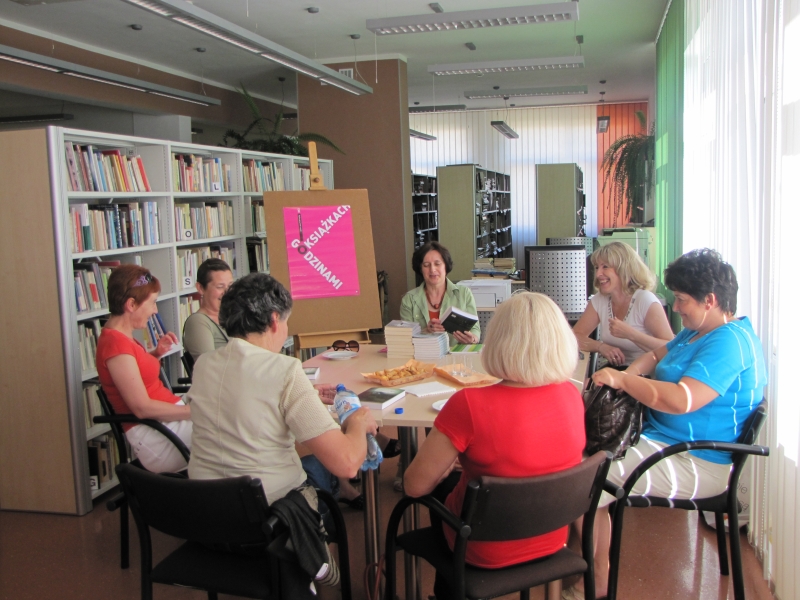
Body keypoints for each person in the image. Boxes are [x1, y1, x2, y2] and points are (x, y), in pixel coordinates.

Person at [563, 249, 767, 600]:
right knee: (582, 457)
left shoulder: (729, 342)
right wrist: (630, 372)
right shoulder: (699, 331)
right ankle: (589, 558)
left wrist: (623, 381)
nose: (676, 307)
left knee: (582, 478)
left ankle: (596, 574)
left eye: (682, 300)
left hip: (695, 459)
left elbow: (680, 400)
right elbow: (657, 354)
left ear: (710, 300)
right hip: (662, 438)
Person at [403, 292, 585, 600]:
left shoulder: (468, 403)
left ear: (498, 340)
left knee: (443, 486)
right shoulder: (572, 396)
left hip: (482, 550)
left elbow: (413, 486)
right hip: (551, 538)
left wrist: (449, 465)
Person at [186, 273, 378, 506]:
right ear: (275, 320)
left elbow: (242, 400)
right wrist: (358, 421)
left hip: (205, 506)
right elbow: (347, 464)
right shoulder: (285, 369)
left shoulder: (204, 364)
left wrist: (303, 396)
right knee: (323, 468)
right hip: (266, 510)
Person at [95, 265, 192, 472]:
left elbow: (136, 375)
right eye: (153, 302)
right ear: (131, 304)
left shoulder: (122, 339)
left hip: (166, 426)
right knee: (234, 428)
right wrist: (191, 412)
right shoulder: (116, 345)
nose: (155, 310)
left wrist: (156, 354)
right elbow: (142, 408)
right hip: (159, 436)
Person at [573, 242, 673, 367]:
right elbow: (574, 337)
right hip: (617, 371)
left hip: (646, 373)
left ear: (623, 269)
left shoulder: (645, 300)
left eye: (605, 267)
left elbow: (671, 348)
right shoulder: (600, 299)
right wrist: (601, 347)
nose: (598, 274)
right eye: (597, 267)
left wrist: (631, 334)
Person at [400, 241, 480, 346]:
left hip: (456, 354)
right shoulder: (409, 299)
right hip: (423, 354)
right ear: (420, 269)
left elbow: (475, 330)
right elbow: (406, 338)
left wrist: (472, 339)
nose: (432, 269)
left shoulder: (464, 294)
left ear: (445, 266)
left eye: (437, 264)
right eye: (426, 265)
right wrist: (426, 331)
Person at [182, 258, 233, 362]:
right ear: (200, 288)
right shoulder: (198, 322)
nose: (227, 292)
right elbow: (208, 365)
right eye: (220, 287)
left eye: (230, 286)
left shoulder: (233, 316)